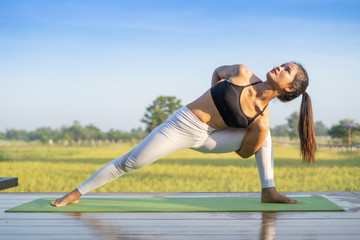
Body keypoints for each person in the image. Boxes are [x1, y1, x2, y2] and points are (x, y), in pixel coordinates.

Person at [51, 62, 317, 207]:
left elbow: (245, 152)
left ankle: (268, 191)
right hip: (180, 126)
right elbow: (216, 71)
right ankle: (76, 193)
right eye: (282, 64)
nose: (279, 67)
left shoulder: (260, 120)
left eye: (286, 70)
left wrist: (240, 128)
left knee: (265, 134)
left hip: (211, 139)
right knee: (130, 163)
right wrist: (216, 97)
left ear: (289, 88)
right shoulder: (242, 73)